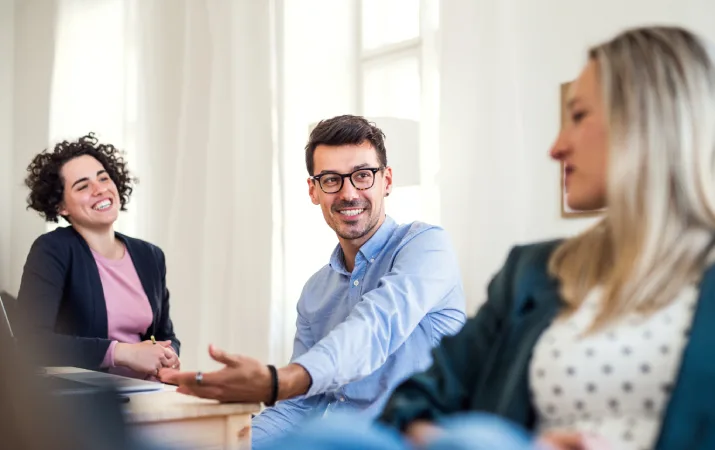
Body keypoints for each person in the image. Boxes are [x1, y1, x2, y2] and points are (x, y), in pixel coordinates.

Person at [375, 26, 715, 450]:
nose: (556, 147)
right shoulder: (532, 274)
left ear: (646, 120)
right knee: (324, 436)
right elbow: (410, 405)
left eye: (578, 116)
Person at [160, 115, 467, 447]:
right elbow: (298, 406)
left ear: (386, 181)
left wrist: (277, 381)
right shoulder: (315, 292)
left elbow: (374, 328)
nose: (349, 193)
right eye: (332, 180)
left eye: (363, 176)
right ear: (314, 190)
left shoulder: (427, 246)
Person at [17, 133, 180, 380]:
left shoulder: (150, 256)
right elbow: (32, 342)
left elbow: (165, 334)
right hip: (85, 405)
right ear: (61, 206)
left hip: (150, 394)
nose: (99, 189)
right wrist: (121, 352)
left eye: (103, 178)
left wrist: (169, 355)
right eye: (83, 186)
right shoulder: (52, 250)